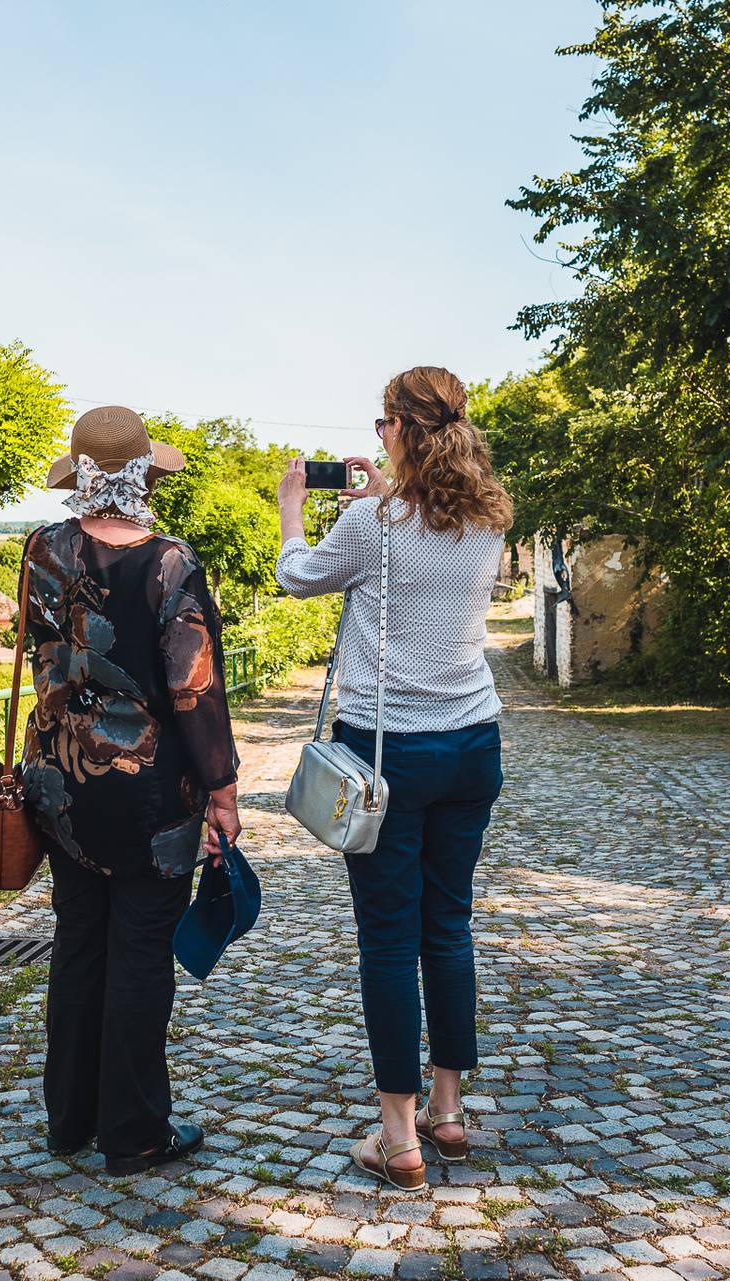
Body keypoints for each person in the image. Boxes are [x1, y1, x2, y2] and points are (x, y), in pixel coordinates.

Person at [274, 366, 512, 1189]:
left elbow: (296, 575)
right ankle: (448, 1111)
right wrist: (385, 493)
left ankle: (398, 1135)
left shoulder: (372, 524)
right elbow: (425, 557)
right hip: (472, 744)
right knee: (447, 927)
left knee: (387, 937)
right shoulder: (490, 519)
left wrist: (293, 510)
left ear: (403, 430)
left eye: (383, 425)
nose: (379, 437)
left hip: (388, 753)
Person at [21, 405, 241, 1176]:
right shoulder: (172, 564)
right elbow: (193, 685)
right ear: (144, 477)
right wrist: (223, 788)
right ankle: (136, 1129)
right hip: (150, 801)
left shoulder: (40, 548)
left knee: (78, 944)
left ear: (81, 480)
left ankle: (69, 1119)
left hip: (62, 792)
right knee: (142, 953)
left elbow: (40, 653)